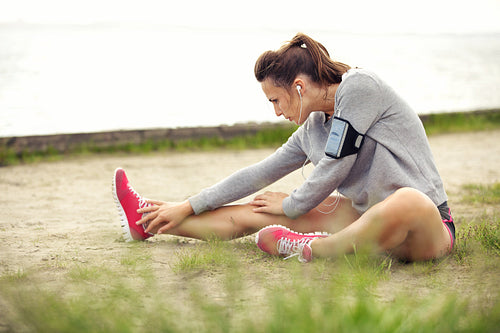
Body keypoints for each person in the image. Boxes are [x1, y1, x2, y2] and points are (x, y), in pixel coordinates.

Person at [112, 33, 455, 263]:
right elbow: (259, 172)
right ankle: (147, 222)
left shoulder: (360, 87)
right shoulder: (313, 128)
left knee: (408, 199)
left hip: (426, 229)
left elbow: (336, 164)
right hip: (366, 220)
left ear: (300, 86)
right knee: (262, 207)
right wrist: (187, 205)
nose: (277, 111)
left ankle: (312, 249)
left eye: (276, 100)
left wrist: (291, 205)